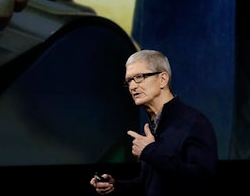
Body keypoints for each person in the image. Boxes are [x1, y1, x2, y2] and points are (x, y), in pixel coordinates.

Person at [89, 49, 218, 196]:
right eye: (129, 81)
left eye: (139, 77)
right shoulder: (155, 127)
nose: (132, 87)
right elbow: (148, 184)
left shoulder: (194, 123)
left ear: (163, 79)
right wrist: (115, 186)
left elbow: (203, 180)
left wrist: (150, 151)